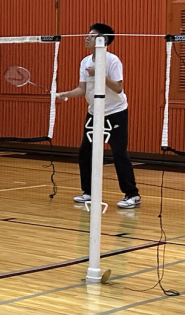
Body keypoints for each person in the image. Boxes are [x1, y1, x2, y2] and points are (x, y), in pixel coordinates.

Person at [57, 23, 140, 209]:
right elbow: (82, 89)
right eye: (88, 34)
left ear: (103, 40)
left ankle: (132, 195)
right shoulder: (85, 62)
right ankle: (88, 192)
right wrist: (66, 94)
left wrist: (100, 73)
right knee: (85, 152)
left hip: (115, 112)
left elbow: (118, 88)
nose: (86, 37)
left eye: (92, 36)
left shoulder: (112, 61)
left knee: (119, 154)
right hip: (94, 113)